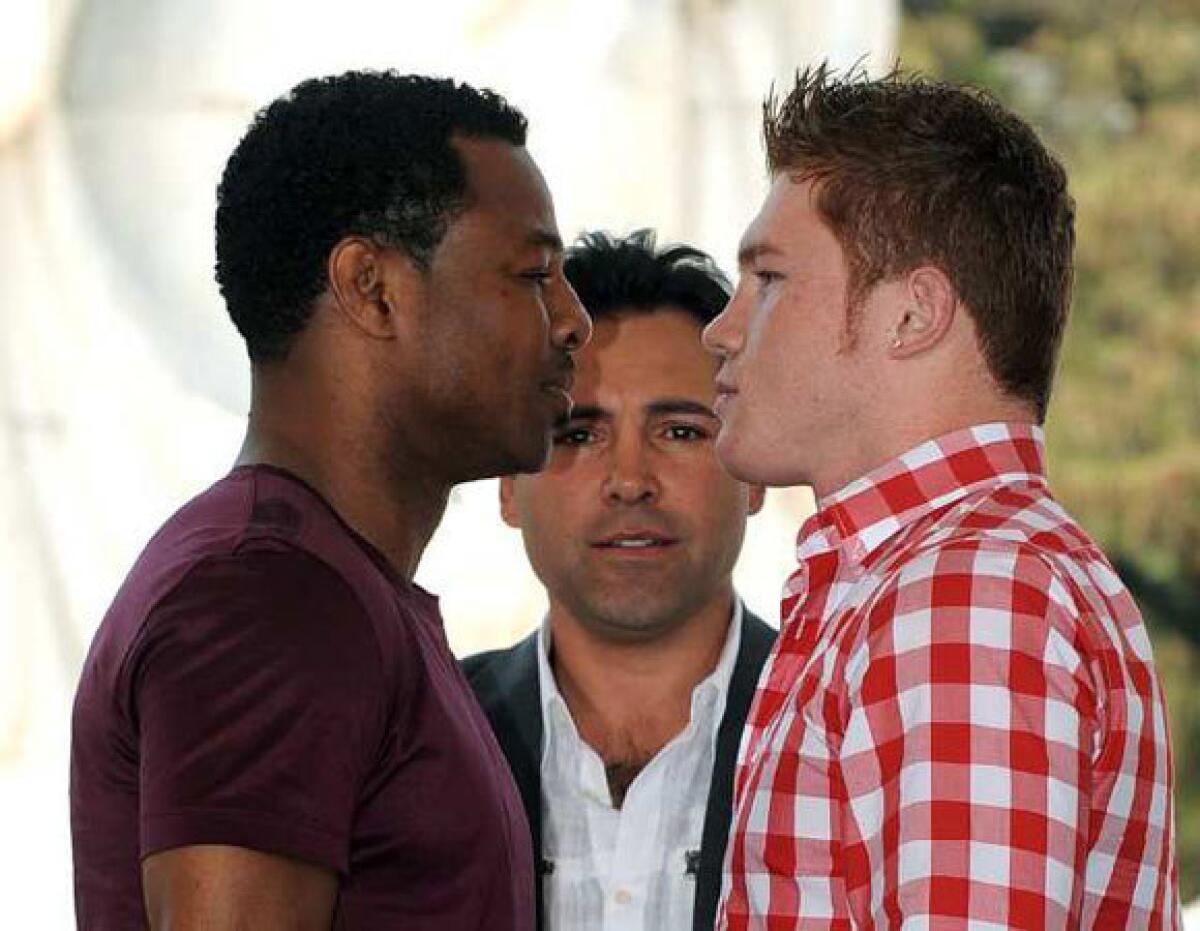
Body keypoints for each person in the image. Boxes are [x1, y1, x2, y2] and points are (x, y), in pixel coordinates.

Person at [70, 70, 591, 930]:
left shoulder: (318, 586)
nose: (574, 321)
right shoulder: (268, 598)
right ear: (371, 286)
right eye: (534, 274)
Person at [703, 66, 1180, 929]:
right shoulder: (941, 576)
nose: (721, 328)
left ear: (914, 314)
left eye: (768, 278)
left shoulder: (966, 589)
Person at [464, 230, 774, 931]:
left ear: (751, 470)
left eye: (681, 431)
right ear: (508, 483)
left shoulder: (843, 730)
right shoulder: (419, 732)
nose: (630, 480)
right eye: (578, 434)